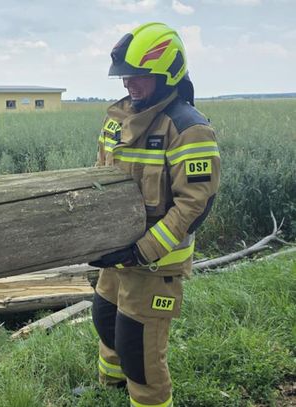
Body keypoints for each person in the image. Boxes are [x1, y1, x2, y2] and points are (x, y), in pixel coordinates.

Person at [88, 22, 221, 407]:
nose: (128, 83)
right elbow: (98, 178)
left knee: (139, 348)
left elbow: (193, 205)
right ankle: (111, 388)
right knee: (106, 319)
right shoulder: (116, 120)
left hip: (154, 262)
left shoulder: (188, 128)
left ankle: (149, 401)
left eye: (139, 76)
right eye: (124, 76)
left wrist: (142, 250)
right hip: (116, 256)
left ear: (168, 75)